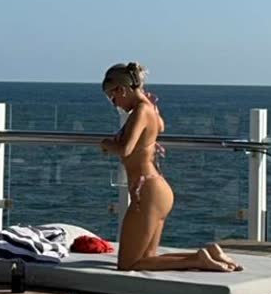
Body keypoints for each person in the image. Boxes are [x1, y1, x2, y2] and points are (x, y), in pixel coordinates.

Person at [100, 63, 242, 272]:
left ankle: (197, 260)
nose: (115, 104)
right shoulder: (148, 108)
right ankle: (208, 254)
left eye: (112, 97)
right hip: (156, 190)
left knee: (127, 264)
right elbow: (160, 126)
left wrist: (106, 144)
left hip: (146, 193)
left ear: (121, 89)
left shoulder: (141, 110)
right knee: (147, 258)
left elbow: (126, 149)